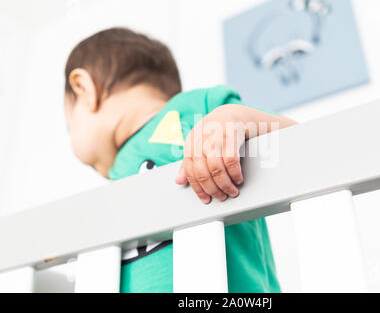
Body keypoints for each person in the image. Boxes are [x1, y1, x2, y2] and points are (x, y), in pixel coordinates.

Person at [64, 27, 297, 292]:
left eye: (68, 126)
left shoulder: (198, 110)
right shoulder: (118, 176)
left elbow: (306, 147)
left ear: (84, 89)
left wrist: (235, 120)